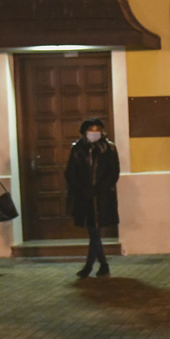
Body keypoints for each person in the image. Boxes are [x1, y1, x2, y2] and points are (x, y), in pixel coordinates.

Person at [65, 118, 120, 278]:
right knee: (93, 231)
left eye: (98, 130)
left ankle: (88, 266)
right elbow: (71, 172)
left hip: (103, 197)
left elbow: (113, 172)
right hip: (84, 196)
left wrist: (101, 188)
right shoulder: (77, 149)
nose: (94, 133)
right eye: (91, 130)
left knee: (96, 231)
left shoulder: (109, 148)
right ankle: (103, 265)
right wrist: (81, 188)